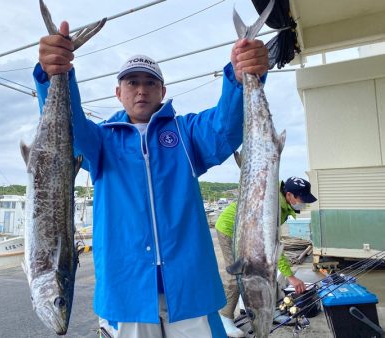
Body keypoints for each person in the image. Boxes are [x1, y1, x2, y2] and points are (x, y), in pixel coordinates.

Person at [35, 20, 268, 338]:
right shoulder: (101, 142)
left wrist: (240, 80)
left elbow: (226, 127)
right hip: (126, 288)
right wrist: (53, 75)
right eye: (132, 82)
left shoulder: (187, 134)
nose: (141, 89)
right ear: (118, 92)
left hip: (190, 287)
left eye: (149, 82)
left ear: (163, 91)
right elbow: (69, 128)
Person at [215, 176, 318, 337]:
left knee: (268, 271)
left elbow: (272, 246)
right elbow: (274, 245)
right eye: (301, 198)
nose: (304, 203)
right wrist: (290, 277)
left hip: (251, 234)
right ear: (289, 195)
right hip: (231, 229)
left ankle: (272, 310)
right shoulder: (273, 206)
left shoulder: (283, 205)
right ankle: (225, 318)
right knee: (237, 274)